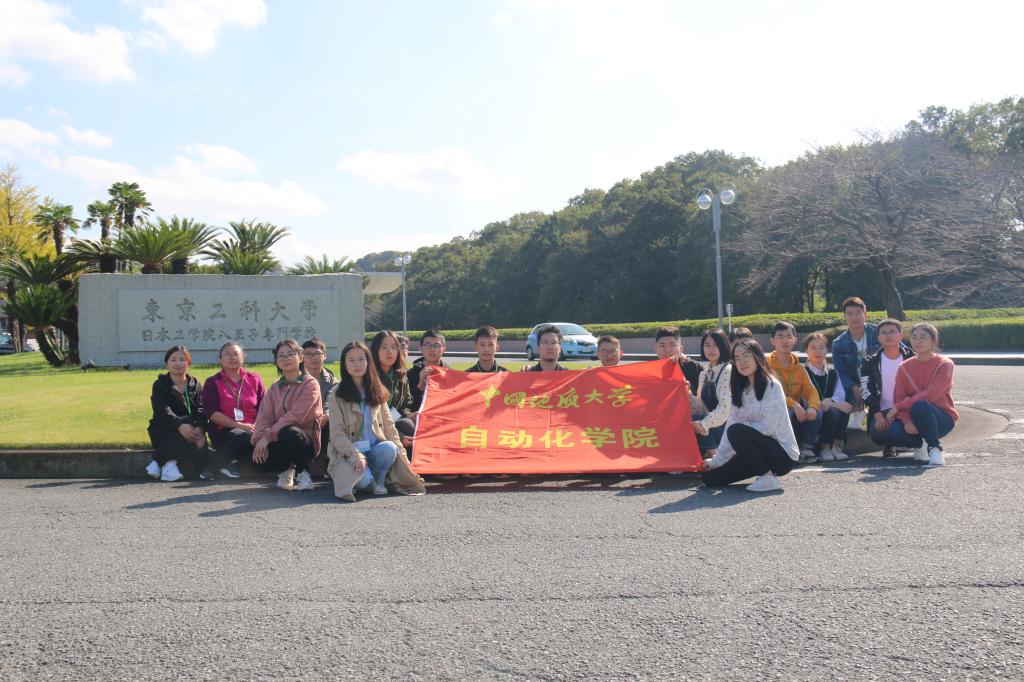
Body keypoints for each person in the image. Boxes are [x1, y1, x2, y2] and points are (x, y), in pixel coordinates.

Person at [326, 341, 426, 502]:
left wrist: (406, 464)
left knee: (389, 447)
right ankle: (368, 480)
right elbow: (337, 435)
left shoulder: (377, 390)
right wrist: (354, 455)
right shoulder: (336, 395)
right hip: (349, 453)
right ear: (344, 364)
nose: (357, 364)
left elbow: (390, 429)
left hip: (373, 449)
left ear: (368, 362)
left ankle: (379, 479)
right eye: (351, 360)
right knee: (363, 480)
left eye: (361, 359)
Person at [701, 338, 799, 492]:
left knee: (736, 430)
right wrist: (716, 461)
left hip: (782, 455)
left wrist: (742, 428)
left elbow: (768, 428)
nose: (742, 362)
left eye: (746, 355)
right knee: (710, 478)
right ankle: (763, 471)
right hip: (758, 452)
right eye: (737, 358)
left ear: (757, 356)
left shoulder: (772, 386)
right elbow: (730, 427)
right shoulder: (740, 390)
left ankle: (767, 478)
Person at [878, 323, 958, 466]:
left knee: (920, 405)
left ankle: (934, 448)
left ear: (934, 340)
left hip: (941, 418)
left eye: (923, 337)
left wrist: (899, 406)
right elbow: (899, 398)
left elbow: (932, 395)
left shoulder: (945, 364)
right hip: (912, 415)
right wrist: (907, 420)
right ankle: (920, 445)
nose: (918, 341)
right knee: (892, 433)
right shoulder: (904, 367)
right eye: (914, 337)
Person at [250, 339, 323, 491]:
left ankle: (303, 473)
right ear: (277, 362)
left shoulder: (310, 384)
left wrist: (268, 436)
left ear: (300, 357)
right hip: (278, 437)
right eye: (281, 356)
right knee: (256, 459)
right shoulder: (275, 388)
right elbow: (264, 416)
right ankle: (285, 470)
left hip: (304, 440)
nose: (286, 358)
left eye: (290, 354)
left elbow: (295, 416)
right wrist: (258, 440)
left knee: (289, 432)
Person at [146, 345, 211, 481]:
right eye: (173, 359)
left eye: (182, 359)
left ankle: (159, 462)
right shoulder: (160, 384)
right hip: (164, 426)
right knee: (184, 437)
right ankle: (169, 466)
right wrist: (180, 425)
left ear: (188, 363)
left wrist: (200, 427)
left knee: (200, 441)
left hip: (190, 426)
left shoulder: (195, 384)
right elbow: (162, 410)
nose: (178, 363)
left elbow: (201, 408)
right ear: (167, 364)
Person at [202, 342, 265, 478]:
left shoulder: (254, 379)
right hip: (224, 431)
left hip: (253, 429)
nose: (232, 357)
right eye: (227, 354)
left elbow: (264, 408)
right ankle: (213, 468)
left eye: (236, 354)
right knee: (241, 436)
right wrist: (240, 426)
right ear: (220, 359)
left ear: (243, 357)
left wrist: (257, 427)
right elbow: (212, 413)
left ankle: (231, 464)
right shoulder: (213, 382)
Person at [766, 322, 821, 462]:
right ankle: (786, 452)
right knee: (787, 411)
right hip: (774, 413)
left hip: (797, 413)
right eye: (780, 336)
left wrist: (812, 408)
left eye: (789, 336)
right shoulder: (765, 366)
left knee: (817, 409)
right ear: (772, 340)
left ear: (795, 340)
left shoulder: (799, 368)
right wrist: (794, 404)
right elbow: (771, 394)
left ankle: (807, 449)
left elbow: (811, 391)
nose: (785, 340)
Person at [862, 318, 916, 457]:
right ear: (878, 338)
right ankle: (890, 444)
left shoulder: (912, 358)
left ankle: (918, 443)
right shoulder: (870, 361)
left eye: (892, 331)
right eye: (884, 332)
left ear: (901, 335)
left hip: (909, 409)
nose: (888, 335)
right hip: (884, 411)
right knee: (878, 434)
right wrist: (878, 415)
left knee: (909, 426)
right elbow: (866, 390)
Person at [803, 332, 853, 461]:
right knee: (832, 411)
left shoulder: (832, 373)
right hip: (812, 413)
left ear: (826, 350)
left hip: (829, 407)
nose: (817, 351)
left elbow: (839, 395)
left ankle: (836, 446)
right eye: (813, 348)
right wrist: (830, 404)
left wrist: (831, 401)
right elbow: (805, 398)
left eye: (821, 347)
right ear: (806, 351)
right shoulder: (803, 371)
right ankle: (824, 447)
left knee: (845, 407)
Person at [831, 296, 880, 414]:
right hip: (854, 387)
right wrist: (854, 388)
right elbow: (840, 372)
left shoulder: (879, 333)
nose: (854, 317)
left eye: (858, 313)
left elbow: (902, 351)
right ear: (844, 317)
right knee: (852, 415)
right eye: (849, 314)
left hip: (880, 385)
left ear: (865, 314)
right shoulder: (839, 343)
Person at [689, 329, 732, 459]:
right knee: (687, 419)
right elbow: (701, 408)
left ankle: (716, 456)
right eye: (707, 345)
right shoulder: (704, 374)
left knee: (694, 421)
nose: (711, 349)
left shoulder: (728, 370)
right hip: (712, 427)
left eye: (716, 345)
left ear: (723, 346)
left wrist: (704, 424)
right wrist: (687, 393)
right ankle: (711, 454)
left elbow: (725, 409)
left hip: (728, 427)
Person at [370, 329, 416, 451]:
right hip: (372, 427)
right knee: (406, 428)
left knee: (410, 424)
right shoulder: (369, 377)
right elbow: (371, 417)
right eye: (384, 347)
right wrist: (399, 438)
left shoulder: (401, 376)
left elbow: (404, 405)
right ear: (375, 350)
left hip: (392, 421)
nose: (389, 351)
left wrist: (410, 415)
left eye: (393, 347)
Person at [301, 337, 337, 459]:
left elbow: (330, 404)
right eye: (308, 354)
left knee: (333, 420)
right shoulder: (294, 379)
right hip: (299, 421)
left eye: (317, 354)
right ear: (302, 357)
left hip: (322, 422)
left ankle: (325, 459)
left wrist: (325, 417)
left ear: (324, 356)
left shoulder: (333, 382)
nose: (313, 357)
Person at [408, 330, 449, 411]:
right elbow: (405, 405)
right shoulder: (409, 374)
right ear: (421, 348)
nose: (432, 349)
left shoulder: (450, 374)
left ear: (444, 349)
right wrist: (420, 384)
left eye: (437, 345)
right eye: (427, 345)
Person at [654, 326, 700, 396]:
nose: (667, 350)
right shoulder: (648, 373)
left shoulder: (694, 369)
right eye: (662, 345)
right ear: (655, 349)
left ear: (681, 348)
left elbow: (705, 400)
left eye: (672, 345)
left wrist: (689, 394)